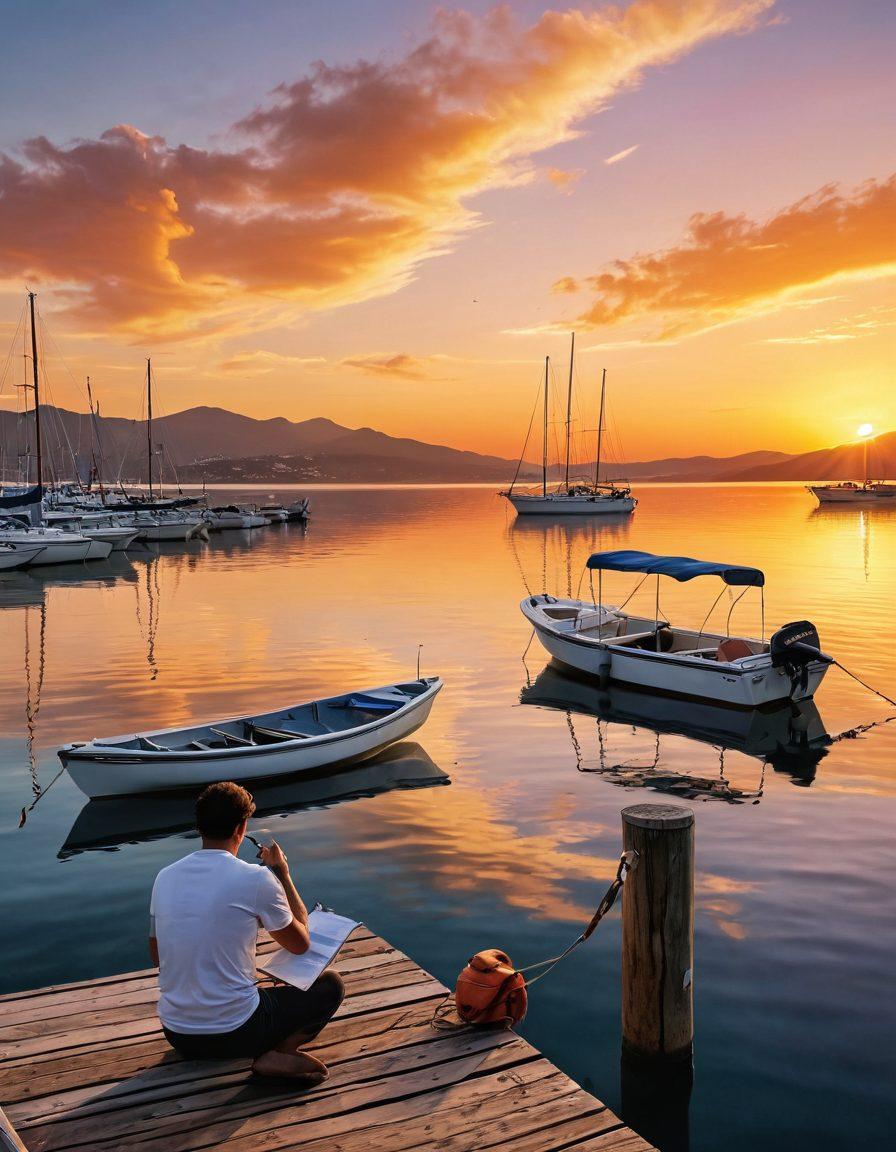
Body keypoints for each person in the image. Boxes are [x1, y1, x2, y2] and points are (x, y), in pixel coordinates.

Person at [149, 781, 344, 1083]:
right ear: (242, 828)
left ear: (199, 827)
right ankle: (277, 1052)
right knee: (330, 986)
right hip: (238, 1031)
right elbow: (300, 944)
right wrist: (282, 873)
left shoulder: (165, 877)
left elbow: (157, 955)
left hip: (177, 1033)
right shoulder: (255, 878)